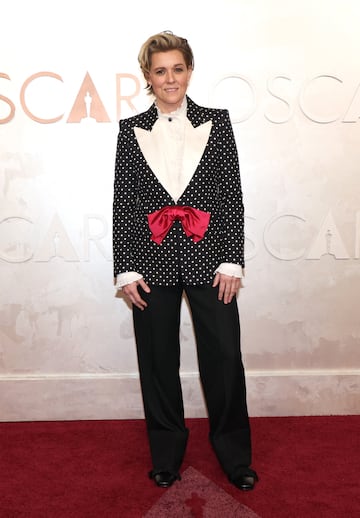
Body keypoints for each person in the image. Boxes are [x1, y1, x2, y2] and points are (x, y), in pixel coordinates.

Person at [112, 31, 258, 491]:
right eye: (160, 71)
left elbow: (230, 194)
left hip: (212, 259)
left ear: (189, 71)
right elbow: (126, 202)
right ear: (148, 78)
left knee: (225, 358)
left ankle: (235, 457)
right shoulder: (129, 129)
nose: (170, 78)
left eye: (178, 68)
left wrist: (232, 260)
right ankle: (166, 455)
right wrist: (127, 267)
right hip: (150, 262)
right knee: (156, 361)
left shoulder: (218, 121)